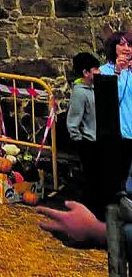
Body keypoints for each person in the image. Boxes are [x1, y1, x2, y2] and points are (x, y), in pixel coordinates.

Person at [66, 51, 101, 216]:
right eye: (95, 69)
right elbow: (73, 120)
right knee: (91, 180)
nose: (99, 72)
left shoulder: (95, 88)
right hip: (88, 142)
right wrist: (79, 140)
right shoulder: (80, 93)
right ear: (86, 72)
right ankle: (87, 213)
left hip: (98, 140)